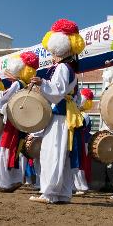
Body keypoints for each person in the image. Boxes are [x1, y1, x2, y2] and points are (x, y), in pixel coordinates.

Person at [29, 19, 85, 204]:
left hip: (60, 116)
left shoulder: (62, 67)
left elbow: (57, 91)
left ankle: (49, 192)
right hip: (67, 116)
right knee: (64, 155)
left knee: (52, 152)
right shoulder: (70, 69)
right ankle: (63, 193)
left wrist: (42, 83)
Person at [0, 51, 39, 192]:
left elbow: (4, 99)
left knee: (5, 148)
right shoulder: (25, 84)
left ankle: (2, 182)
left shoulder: (17, 84)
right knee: (13, 150)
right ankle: (13, 179)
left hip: (12, 121)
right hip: (19, 121)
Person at [73, 88, 94, 195]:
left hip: (82, 142)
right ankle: (76, 185)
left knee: (81, 163)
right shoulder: (80, 113)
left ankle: (82, 186)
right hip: (80, 141)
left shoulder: (84, 115)